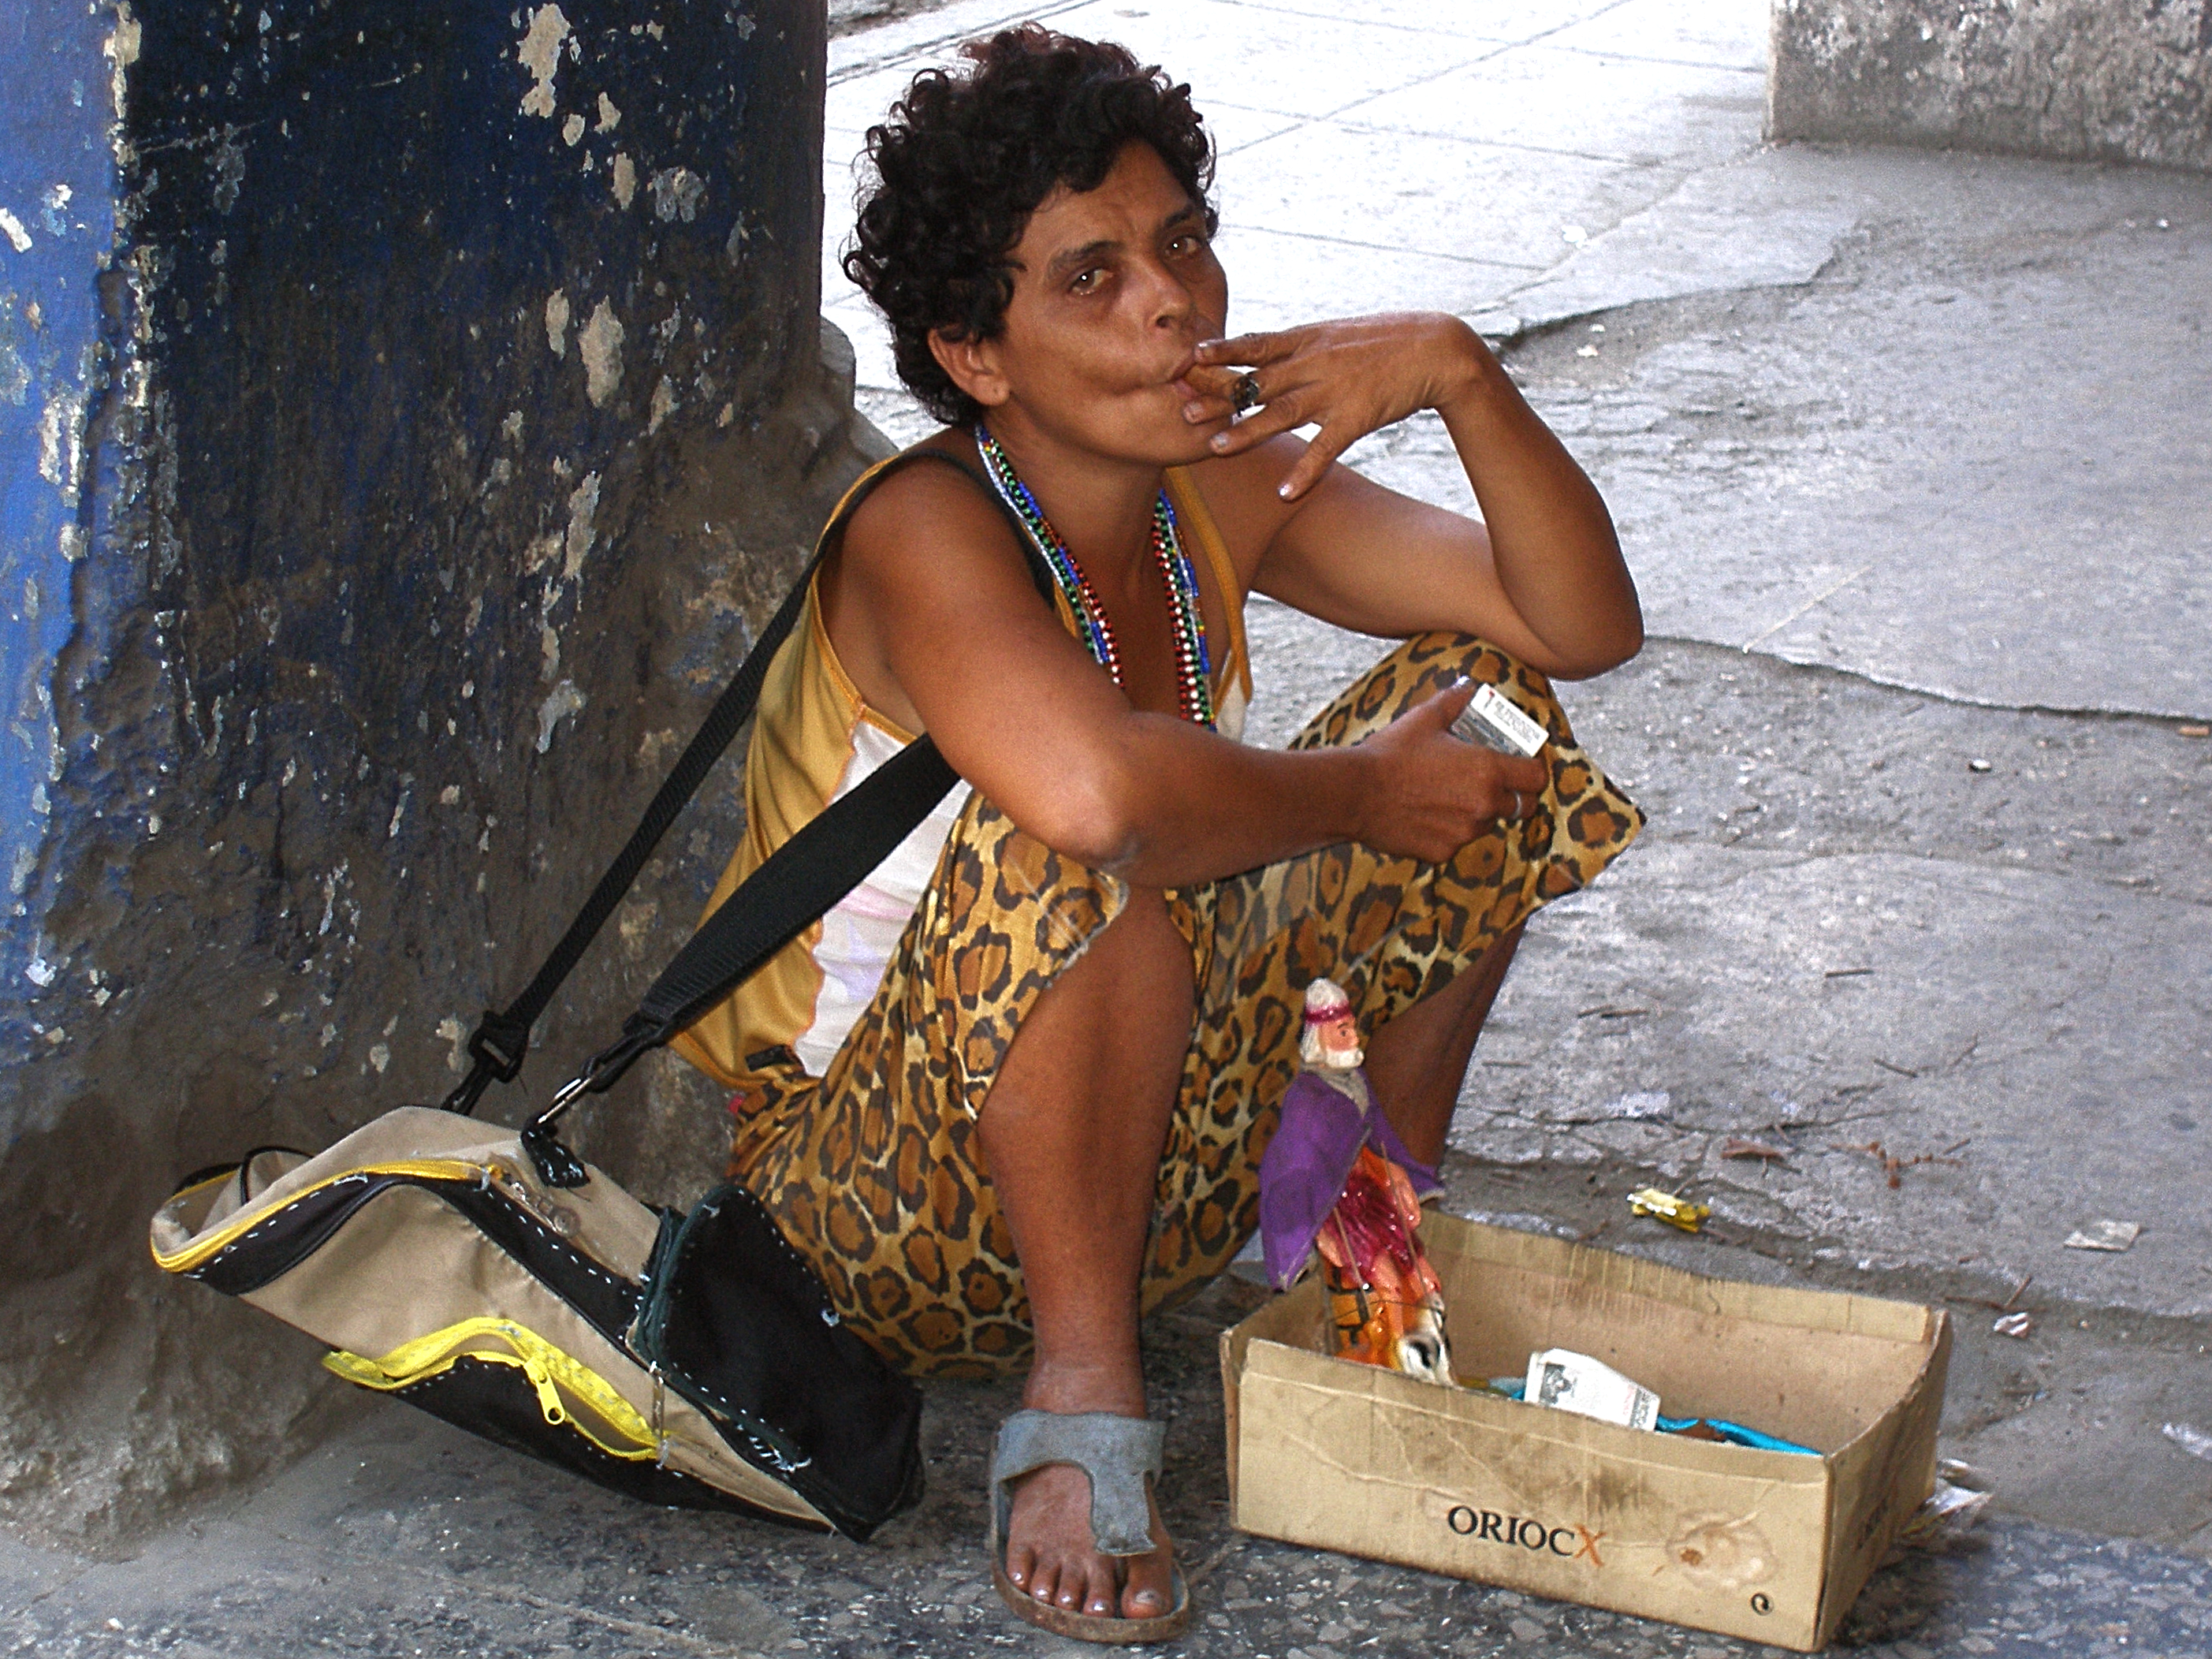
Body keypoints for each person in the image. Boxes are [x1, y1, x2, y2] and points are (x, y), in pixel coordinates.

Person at [668, 25, 1644, 1643]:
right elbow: (1097, 802)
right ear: (975, 354)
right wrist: (1355, 793)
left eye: (1181, 241)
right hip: (874, 1216)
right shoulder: (922, 527)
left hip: (1152, 1158)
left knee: (1489, 713)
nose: (1172, 302)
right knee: (1073, 838)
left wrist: (1459, 372)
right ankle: (1081, 1397)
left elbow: (1577, 625)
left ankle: (1361, 1264)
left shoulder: (1213, 489)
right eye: (1091, 277)